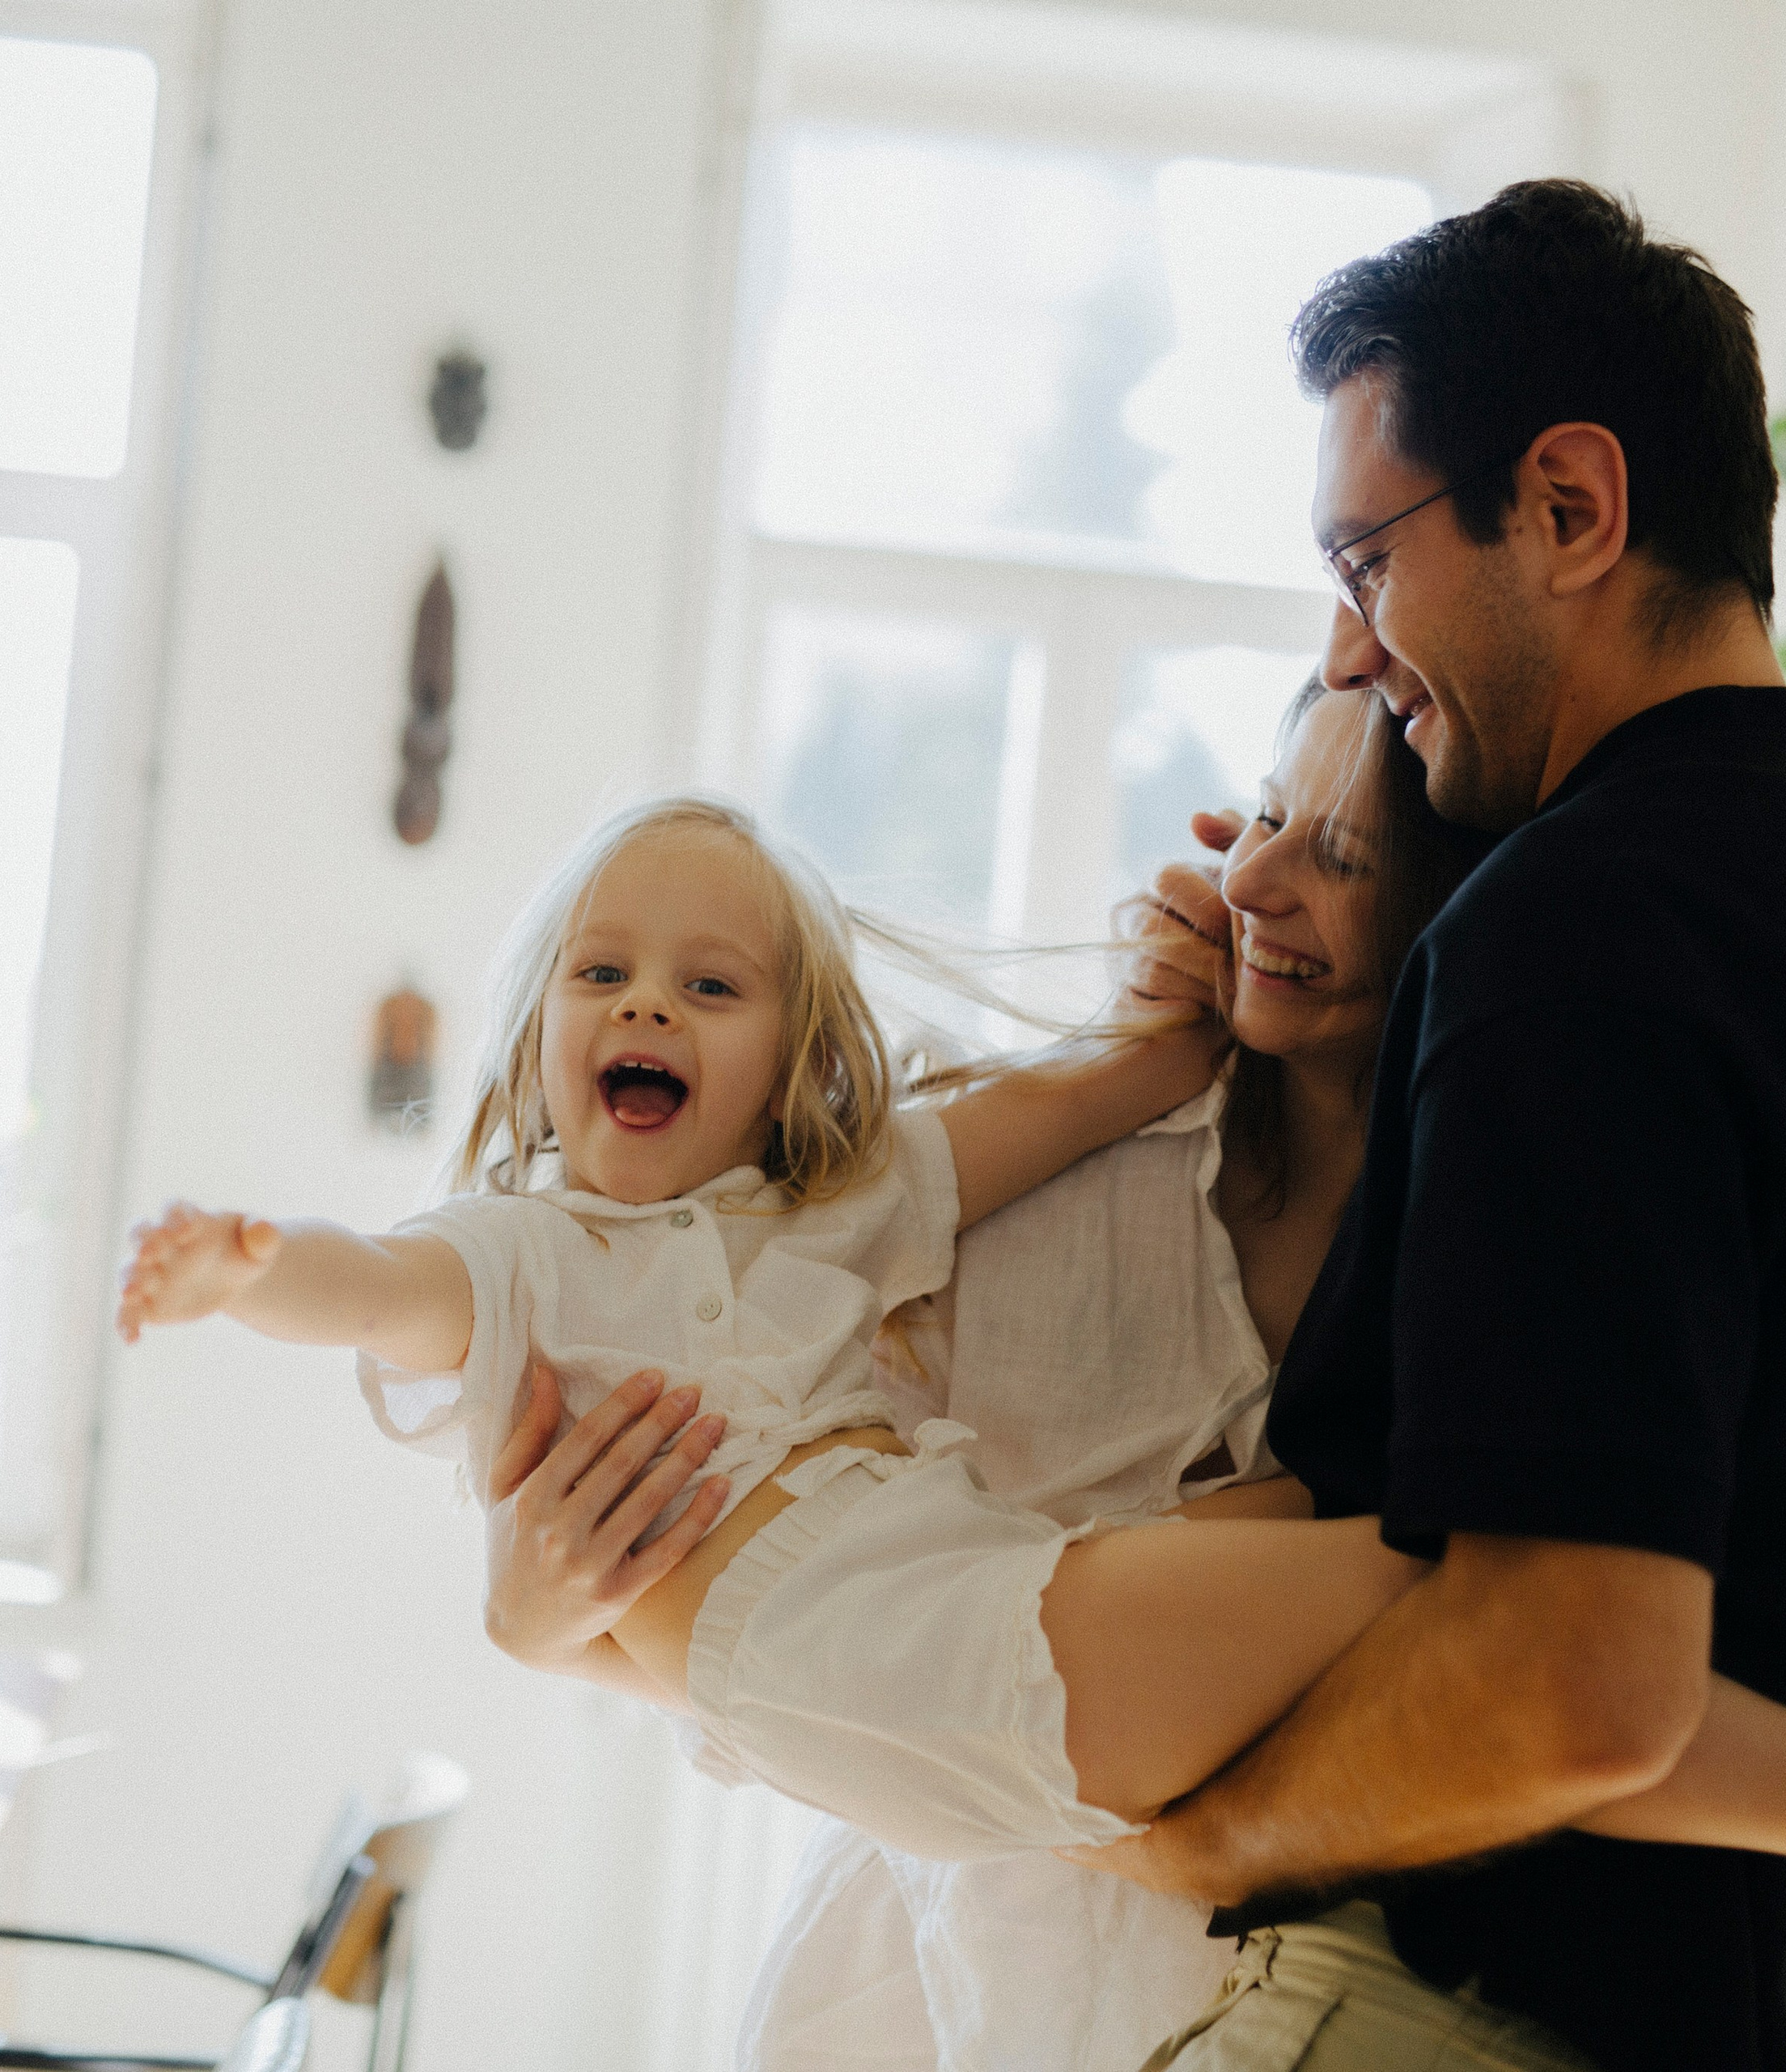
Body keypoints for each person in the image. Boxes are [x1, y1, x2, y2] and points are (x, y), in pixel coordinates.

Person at [478, 685, 1786, 2071]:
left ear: (1472, 907)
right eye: (1267, 818)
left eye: (1338, 858)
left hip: (1315, 2004)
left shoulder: (1546, 1247)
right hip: (952, 1993)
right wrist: (545, 1623)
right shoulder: (1043, 1169)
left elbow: (1570, 1676)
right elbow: (812, 1618)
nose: (1258, 879)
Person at [1059, 178, 1786, 2072]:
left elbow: (1572, 1680)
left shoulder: (1572, 923)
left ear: (1566, 506)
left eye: (1366, 558)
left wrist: (1205, 1839)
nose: (1354, 647)